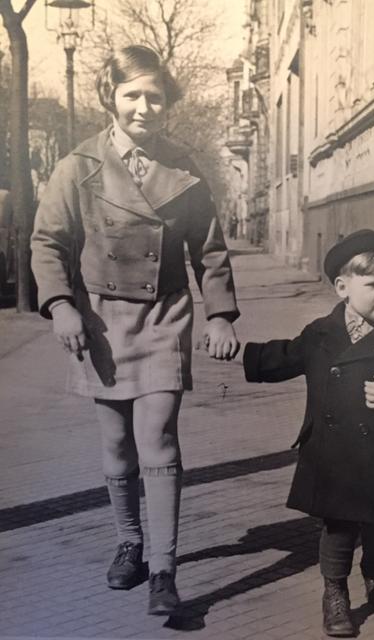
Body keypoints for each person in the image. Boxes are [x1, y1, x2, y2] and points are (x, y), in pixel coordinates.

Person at [31, 45, 240, 616]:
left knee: (159, 438)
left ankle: (164, 572)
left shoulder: (185, 165)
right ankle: (130, 542)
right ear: (111, 97)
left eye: (155, 95)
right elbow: (48, 243)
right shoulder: (77, 165)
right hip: (100, 320)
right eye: (132, 95)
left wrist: (220, 313)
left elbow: (210, 249)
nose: (144, 107)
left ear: (167, 99)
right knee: (117, 445)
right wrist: (61, 306)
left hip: (165, 315)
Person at [243, 229, 374, 637]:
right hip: (334, 455)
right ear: (342, 287)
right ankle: (335, 593)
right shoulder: (320, 334)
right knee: (339, 527)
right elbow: (285, 357)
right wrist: (242, 353)